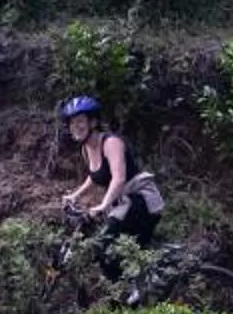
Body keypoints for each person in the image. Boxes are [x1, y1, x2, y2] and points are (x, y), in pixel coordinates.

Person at [55, 95, 163, 246]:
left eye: (80, 121)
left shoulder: (111, 143)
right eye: (72, 122)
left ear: (93, 122)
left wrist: (103, 205)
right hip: (122, 202)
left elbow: (119, 179)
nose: (75, 126)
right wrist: (75, 196)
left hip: (140, 199)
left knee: (107, 246)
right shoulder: (86, 148)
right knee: (106, 244)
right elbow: (94, 176)